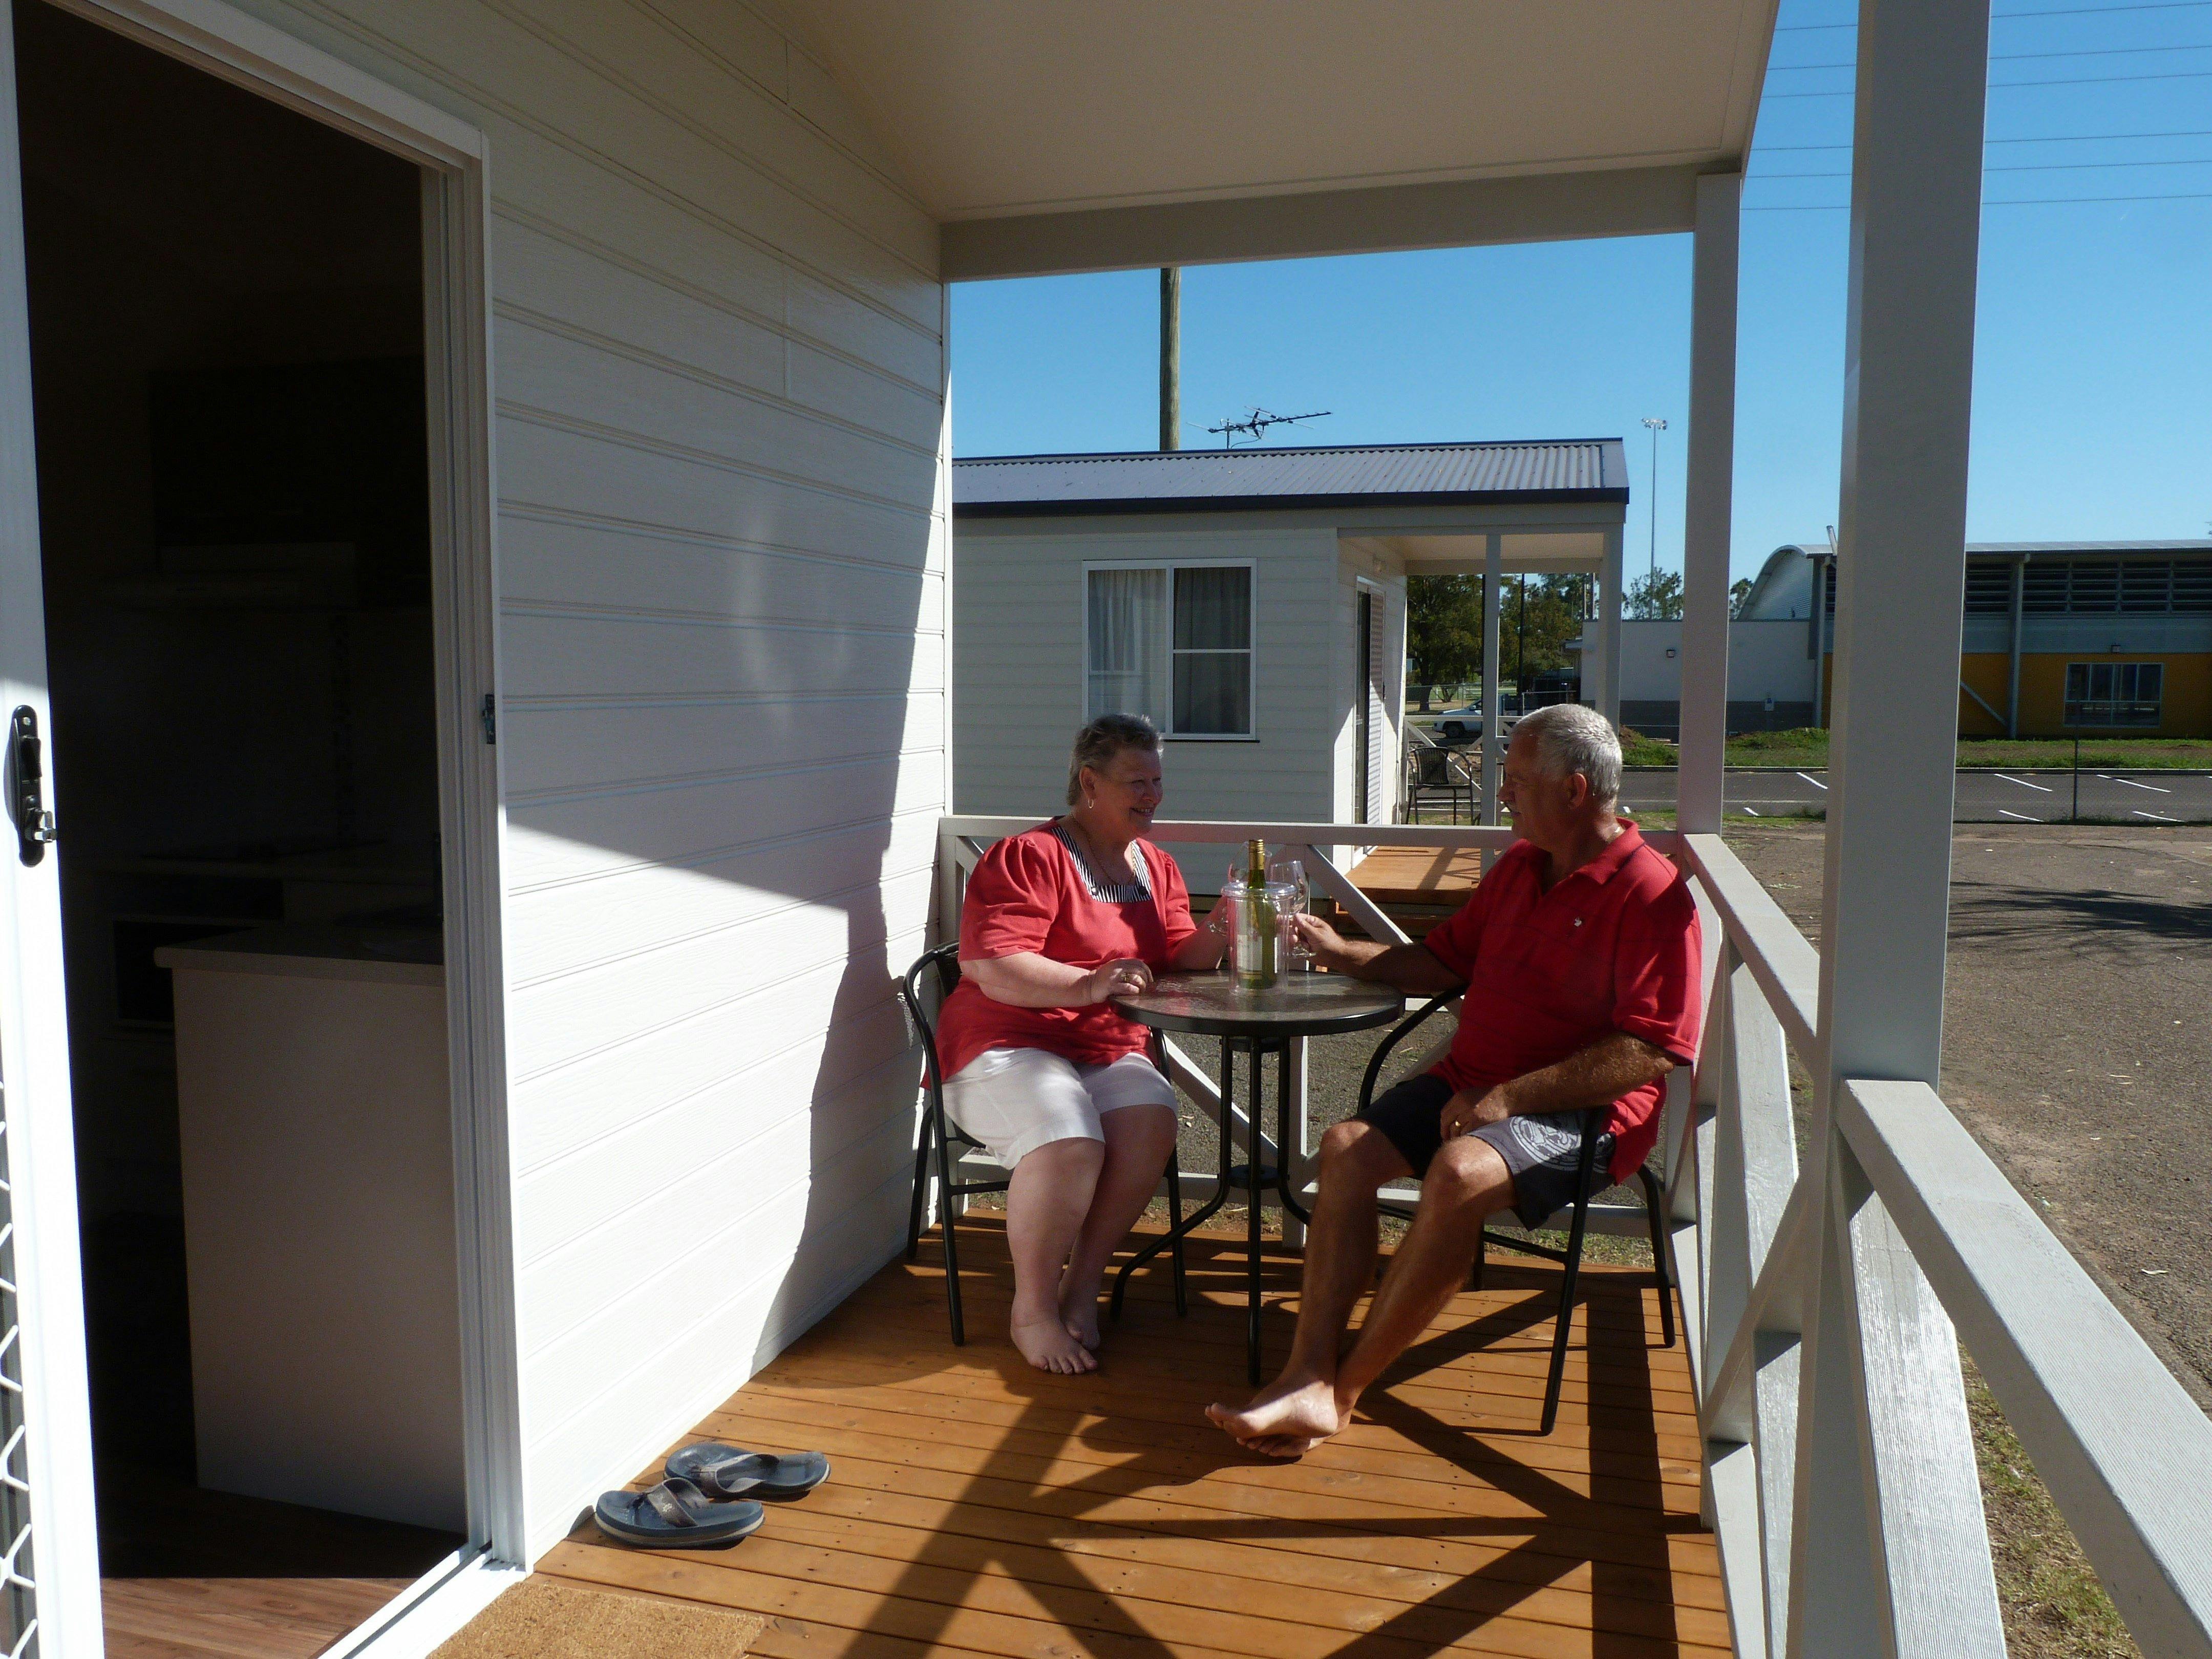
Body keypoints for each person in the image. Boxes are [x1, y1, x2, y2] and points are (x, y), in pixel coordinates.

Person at [1206, 703, 1700, 1454]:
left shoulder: (1650, 893)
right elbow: (1441, 960)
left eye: (1517, 780)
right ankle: (1304, 1370)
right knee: (1344, 1149)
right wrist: (1343, 950)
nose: (1503, 795)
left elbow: (1650, 1049)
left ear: (1573, 791)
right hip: (1471, 1081)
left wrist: (1508, 1098)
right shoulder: (1518, 870)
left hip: (1585, 1110)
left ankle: (1339, 1394)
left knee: (1458, 1175)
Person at [934, 714, 1225, 1374]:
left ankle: (1082, 1283)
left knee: (1150, 1123)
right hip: (1004, 1041)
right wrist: (1091, 983)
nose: (1151, 794)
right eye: (1136, 781)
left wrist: (1226, 922)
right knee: (1069, 1137)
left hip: (1102, 1044)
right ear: (1089, 782)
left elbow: (1178, 958)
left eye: (1158, 780)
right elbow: (993, 964)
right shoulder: (1032, 856)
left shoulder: (1155, 864)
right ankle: (1031, 1309)